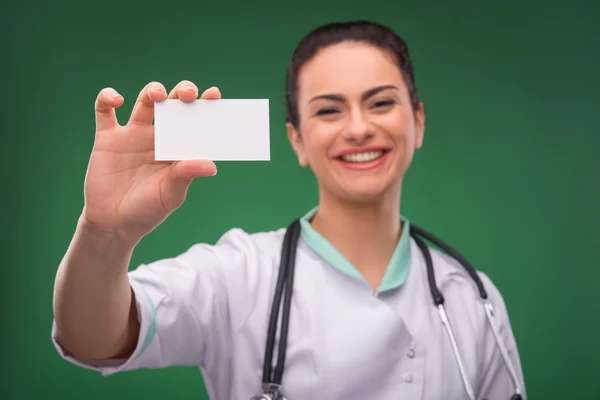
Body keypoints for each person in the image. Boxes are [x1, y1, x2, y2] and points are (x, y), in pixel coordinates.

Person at [51, 20, 527, 400]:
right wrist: (105, 236)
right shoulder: (239, 273)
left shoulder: (473, 298)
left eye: (381, 103)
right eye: (328, 110)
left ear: (418, 122)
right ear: (296, 139)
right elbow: (91, 338)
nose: (359, 128)